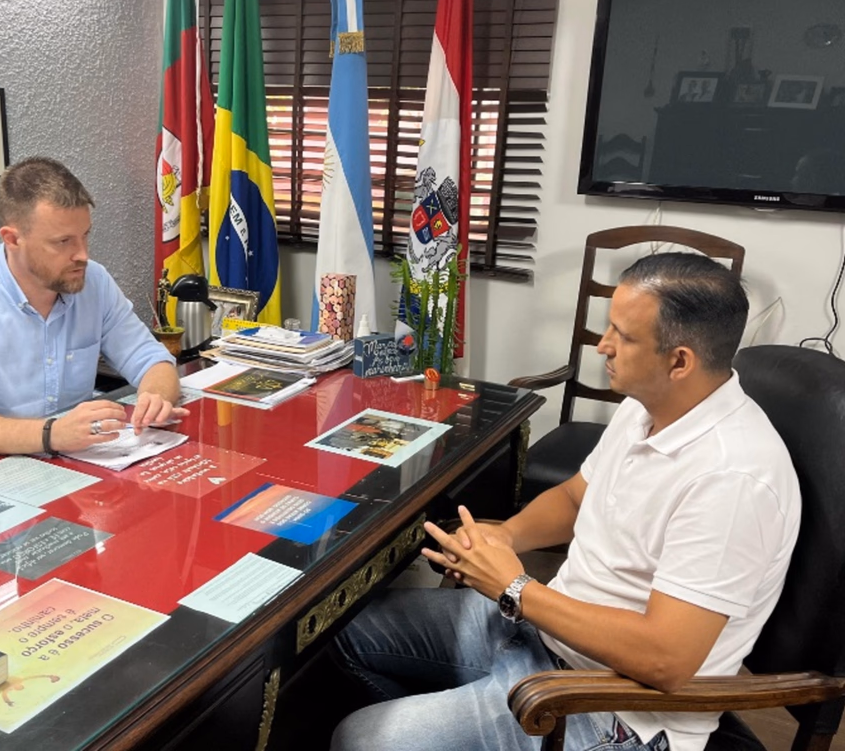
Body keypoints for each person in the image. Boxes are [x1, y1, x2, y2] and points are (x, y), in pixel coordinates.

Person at [330, 253, 801, 751]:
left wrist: (514, 587)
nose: (604, 346)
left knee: (360, 739)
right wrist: (505, 536)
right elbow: (578, 499)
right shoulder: (649, 405)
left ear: (679, 361)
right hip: (545, 633)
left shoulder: (735, 476)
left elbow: (666, 659)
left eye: (624, 335)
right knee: (340, 629)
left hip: (611, 707)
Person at [0, 156, 187, 463]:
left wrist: (155, 397)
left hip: (64, 465)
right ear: (12, 239)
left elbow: (152, 360)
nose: (82, 254)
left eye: (85, 235)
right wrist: (50, 434)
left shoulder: (94, 282)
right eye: (63, 241)